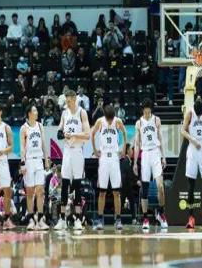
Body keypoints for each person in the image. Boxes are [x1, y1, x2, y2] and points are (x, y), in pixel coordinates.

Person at [54, 89, 90, 231]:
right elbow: (59, 133)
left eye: (69, 101)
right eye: (66, 101)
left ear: (74, 99)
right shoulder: (65, 113)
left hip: (78, 152)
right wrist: (65, 134)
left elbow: (87, 134)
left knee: (77, 186)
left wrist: (74, 135)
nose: (67, 103)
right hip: (67, 151)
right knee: (64, 185)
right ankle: (62, 219)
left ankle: (78, 219)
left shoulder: (82, 113)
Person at [133, 99, 168, 231]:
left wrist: (163, 156)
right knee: (145, 189)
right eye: (145, 111)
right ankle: (145, 218)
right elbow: (137, 144)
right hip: (145, 154)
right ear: (143, 110)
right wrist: (135, 162)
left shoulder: (156, 120)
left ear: (151, 110)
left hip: (155, 153)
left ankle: (161, 213)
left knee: (160, 186)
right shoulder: (139, 123)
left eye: (149, 111)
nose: (147, 113)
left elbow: (161, 139)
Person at [91, 105, 127, 230]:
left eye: (111, 119)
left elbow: (124, 132)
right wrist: (95, 150)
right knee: (102, 192)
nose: (110, 121)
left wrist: (124, 148)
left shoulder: (118, 121)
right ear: (105, 116)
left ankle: (118, 219)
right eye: (109, 119)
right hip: (104, 158)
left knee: (116, 192)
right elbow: (92, 134)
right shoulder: (100, 121)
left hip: (114, 158)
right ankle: (100, 219)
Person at [181, 98, 202, 230]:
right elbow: (183, 130)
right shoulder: (189, 113)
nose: (199, 116)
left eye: (200, 114)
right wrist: (192, 140)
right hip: (193, 150)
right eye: (198, 114)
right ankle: (191, 217)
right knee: (191, 185)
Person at [20, 104, 50, 230]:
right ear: (29, 113)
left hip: (39, 160)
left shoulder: (40, 126)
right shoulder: (24, 128)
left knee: (40, 191)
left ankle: (41, 219)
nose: (37, 112)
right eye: (34, 110)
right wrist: (22, 163)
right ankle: (31, 219)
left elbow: (43, 143)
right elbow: (22, 147)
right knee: (30, 192)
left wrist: (46, 159)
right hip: (29, 161)